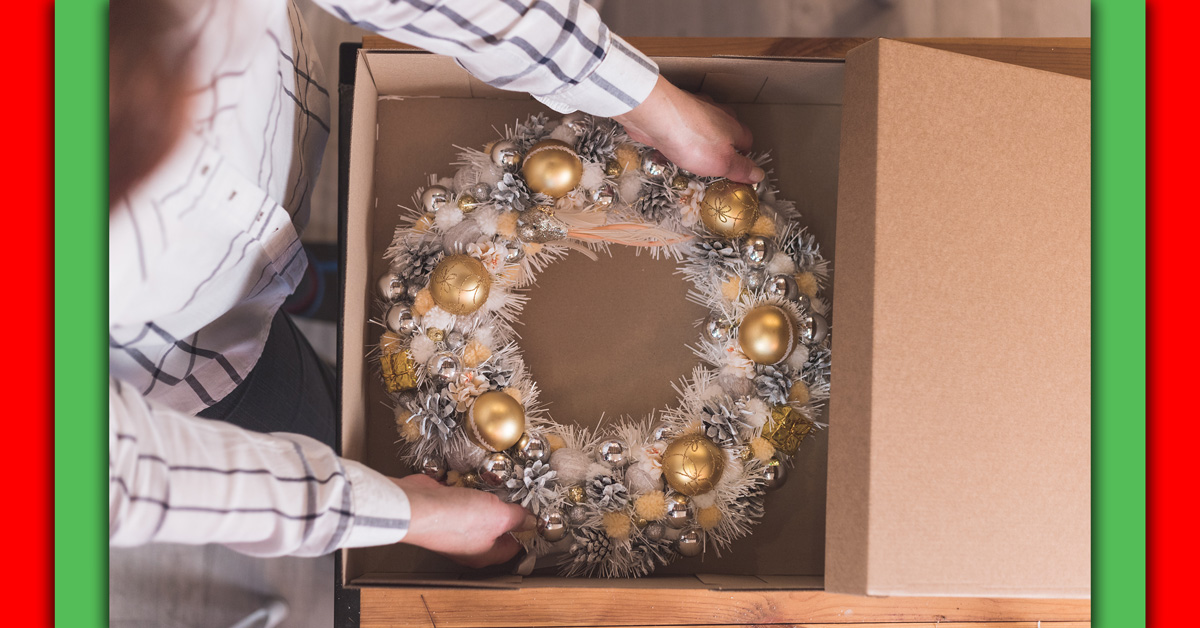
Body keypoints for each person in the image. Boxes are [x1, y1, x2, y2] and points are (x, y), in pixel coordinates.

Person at [109, 0, 762, 566]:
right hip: (179, 361)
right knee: (315, 424)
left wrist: (644, 99)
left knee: (293, 267)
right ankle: (309, 291)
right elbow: (116, 476)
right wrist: (404, 515)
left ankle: (310, 286)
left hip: (272, 164)